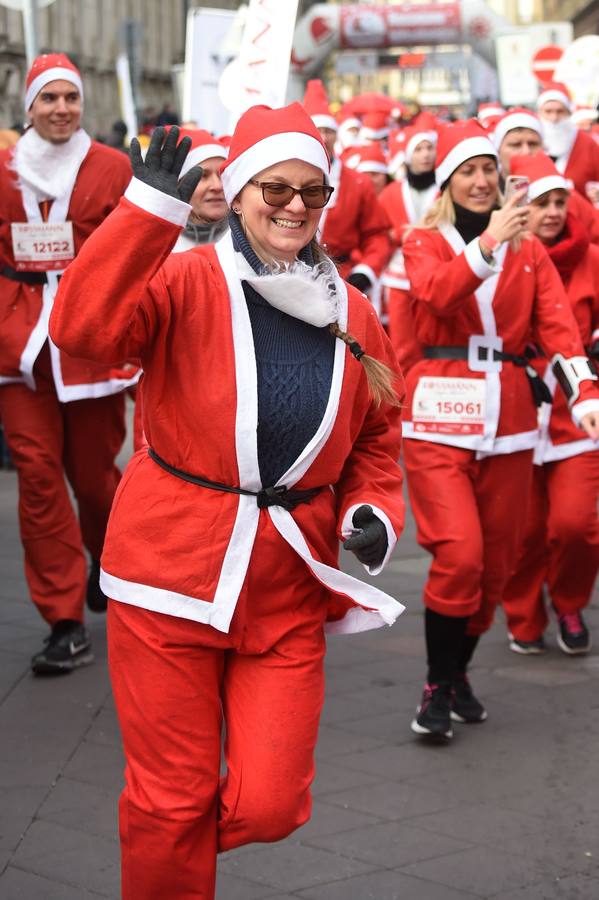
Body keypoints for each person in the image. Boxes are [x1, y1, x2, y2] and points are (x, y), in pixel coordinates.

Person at [50, 104, 405, 899]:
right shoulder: (183, 279)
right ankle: (165, 850)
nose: (292, 206)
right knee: (171, 799)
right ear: (238, 193)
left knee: (272, 803)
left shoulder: (354, 311)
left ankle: (164, 847)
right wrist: (146, 214)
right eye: (274, 187)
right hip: (168, 576)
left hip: (285, 587)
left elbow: (378, 432)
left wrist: (371, 507)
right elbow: (83, 331)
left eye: (312, 193)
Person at [400, 119, 599, 742]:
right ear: (449, 182)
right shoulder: (421, 241)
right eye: (469, 171)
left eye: (489, 168)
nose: (483, 180)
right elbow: (435, 295)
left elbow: (560, 329)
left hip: (512, 419)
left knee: (495, 566)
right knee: (459, 553)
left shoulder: (530, 250)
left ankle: (457, 674)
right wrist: (487, 245)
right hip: (438, 413)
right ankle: (435, 683)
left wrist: (585, 393)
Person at [0, 53, 137, 675]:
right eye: (48, 99)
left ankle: (107, 561)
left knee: (93, 477)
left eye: (70, 99)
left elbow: (135, 251)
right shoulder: (2, 167)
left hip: (89, 340)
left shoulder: (112, 168)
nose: (60, 109)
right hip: (18, 341)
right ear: (28, 107)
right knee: (35, 474)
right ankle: (62, 617)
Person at [503, 153, 599, 655]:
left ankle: (569, 601)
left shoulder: (591, 259)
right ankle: (523, 613)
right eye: (542, 202)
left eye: (561, 201)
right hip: (514, 405)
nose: (554, 211)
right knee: (522, 530)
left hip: (575, 410)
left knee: (577, 525)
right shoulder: (499, 256)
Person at [302, 80, 392, 295]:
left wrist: (365, 271)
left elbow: (377, 235)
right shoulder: (288, 178)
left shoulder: (357, 183)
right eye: (317, 130)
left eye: (329, 131)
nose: (323, 138)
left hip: (342, 281)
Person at [378, 124, 438, 370]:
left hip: (435, 274)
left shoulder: (446, 189)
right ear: (408, 155)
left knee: (433, 340)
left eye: (429, 148)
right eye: (419, 149)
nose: (425, 154)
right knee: (401, 345)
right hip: (399, 277)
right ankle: (404, 402)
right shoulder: (392, 192)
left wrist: (406, 232)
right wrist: (399, 233)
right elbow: (380, 231)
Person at [537, 82, 599, 197]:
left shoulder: (587, 143)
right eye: (548, 111)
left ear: (569, 113)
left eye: (560, 111)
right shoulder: (531, 144)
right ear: (539, 113)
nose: (554, 118)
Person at [170, 128, 229, 252]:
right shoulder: (161, 245)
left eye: (222, 174)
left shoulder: (251, 238)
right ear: (178, 184)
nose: (217, 186)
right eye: (203, 176)